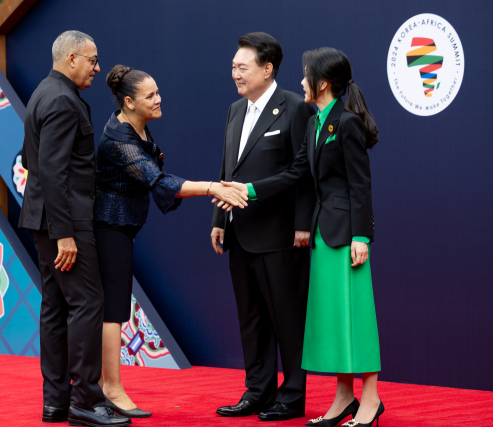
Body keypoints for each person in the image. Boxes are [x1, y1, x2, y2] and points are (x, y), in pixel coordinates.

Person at [220, 47, 383, 427]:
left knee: (355, 318)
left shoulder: (347, 123)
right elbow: (298, 175)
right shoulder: (315, 123)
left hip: (348, 237)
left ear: (322, 83)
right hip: (324, 238)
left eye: (306, 75)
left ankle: (371, 400)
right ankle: (343, 399)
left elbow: (361, 186)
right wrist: (250, 191)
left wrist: (362, 235)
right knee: (334, 320)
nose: (300, 82)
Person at [95, 64, 249, 419]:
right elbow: (160, 182)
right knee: (114, 309)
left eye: (158, 92)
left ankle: (106, 385)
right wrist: (213, 186)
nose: (159, 99)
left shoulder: (136, 129)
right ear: (130, 102)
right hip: (108, 226)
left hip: (122, 227)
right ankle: (111, 388)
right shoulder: (119, 141)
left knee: (115, 306)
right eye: (151, 96)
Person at [18, 31, 131, 427]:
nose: (98, 69)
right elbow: (49, 168)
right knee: (86, 304)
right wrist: (65, 231)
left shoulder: (43, 94)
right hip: (65, 223)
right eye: (92, 60)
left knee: (55, 307)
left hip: (43, 219)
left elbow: (29, 157)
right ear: (71, 58)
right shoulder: (64, 101)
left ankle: (57, 403)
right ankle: (86, 401)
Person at [211, 32, 316, 421]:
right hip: (239, 232)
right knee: (250, 317)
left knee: (286, 318)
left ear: (267, 68)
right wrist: (220, 218)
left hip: (281, 234)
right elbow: (228, 170)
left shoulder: (293, 107)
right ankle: (258, 391)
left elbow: (304, 172)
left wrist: (302, 225)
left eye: (243, 67)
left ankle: (292, 395)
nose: (235, 73)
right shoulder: (235, 110)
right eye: (234, 67)